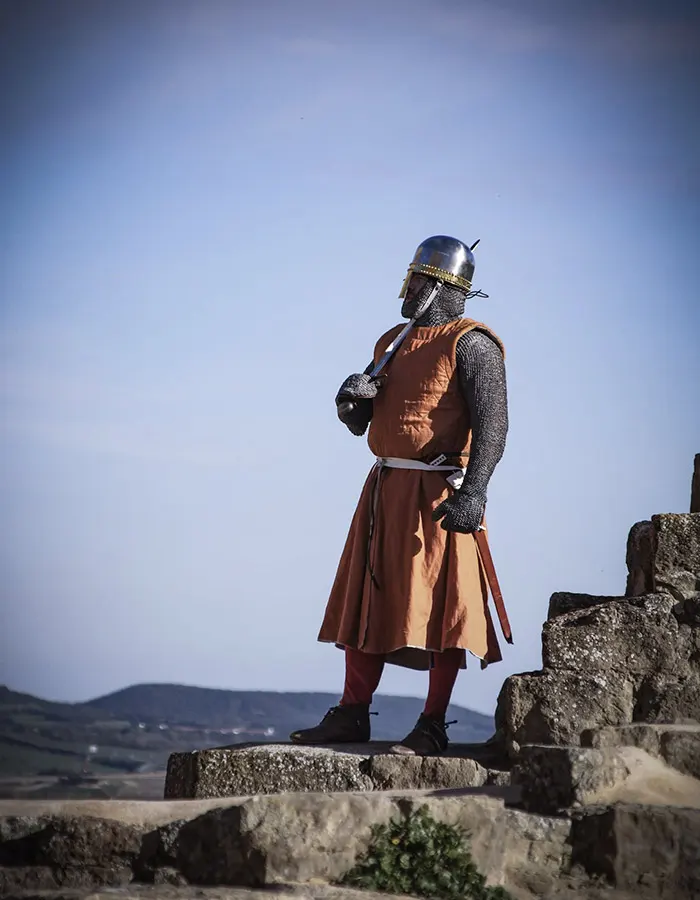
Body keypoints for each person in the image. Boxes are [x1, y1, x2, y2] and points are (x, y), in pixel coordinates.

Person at [290, 235, 510, 756]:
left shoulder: (473, 344)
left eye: (416, 281)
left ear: (440, 286)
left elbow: (493, 426)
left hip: (440, 492)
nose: (407, 290)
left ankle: (432, 723)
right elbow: (369, 421)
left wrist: (475, 491)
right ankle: (351, 713)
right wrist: (352, 404)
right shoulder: (391, 340)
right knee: (366, 601)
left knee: (444, 609)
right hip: (384, 489)